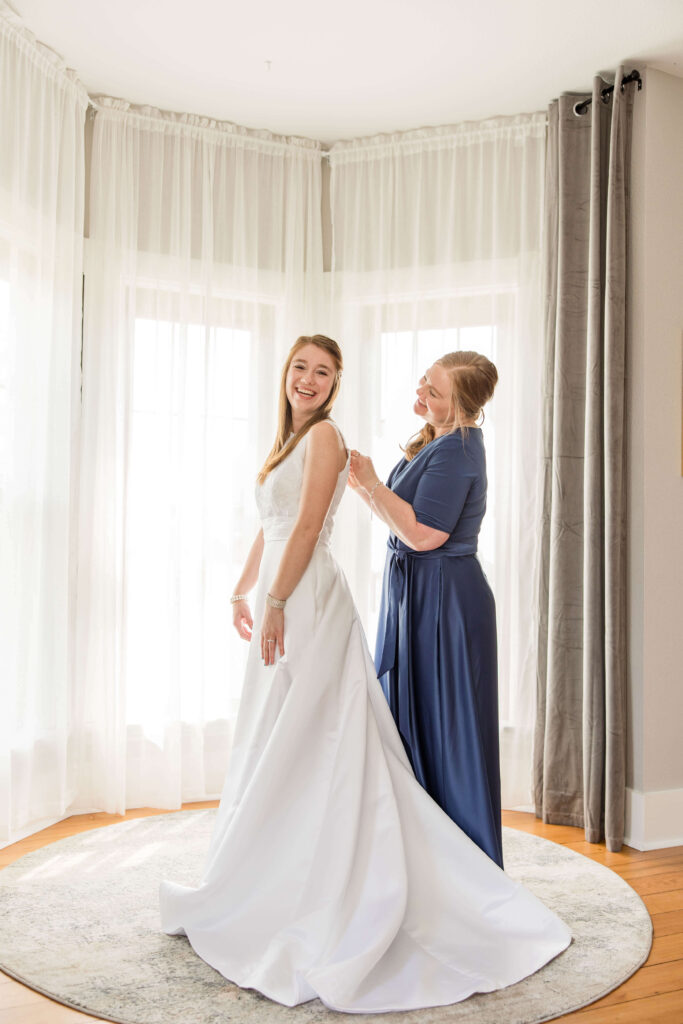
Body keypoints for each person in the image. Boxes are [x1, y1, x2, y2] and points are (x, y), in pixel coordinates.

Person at [159, 336, 570, 1013]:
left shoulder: (353, 440)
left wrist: (277, 598)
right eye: (300, 366)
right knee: (290, 734)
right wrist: (244, 588)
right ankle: (271, 862)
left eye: (323, 372)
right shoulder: (310, 441)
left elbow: (319, 527)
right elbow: (275, 523)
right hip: (375, 594)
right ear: (284, 372)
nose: (309, 379)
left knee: (333, 733)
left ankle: (384, 876)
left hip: (370, 597)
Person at [348, 351, 503, 868]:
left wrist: (371, 485)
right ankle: (414, 855)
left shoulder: (459, 450)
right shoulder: (433, 441)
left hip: (446, 604)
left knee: (447, 730)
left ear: (462, 406)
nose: (422, 393)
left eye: (434, 392)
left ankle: (460, 865)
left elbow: (422, 534)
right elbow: (403, 523)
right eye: (424, 382)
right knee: (411, 720)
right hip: (417, 594)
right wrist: (365, 488)